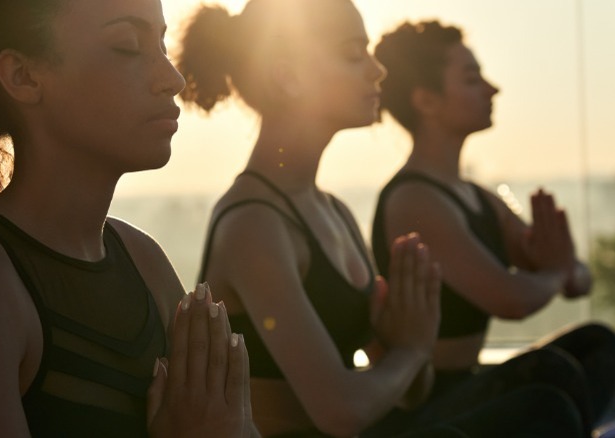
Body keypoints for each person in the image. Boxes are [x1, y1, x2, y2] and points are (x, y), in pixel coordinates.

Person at [178, 2, 585, 437]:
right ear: (287, 76)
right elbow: (341, 412)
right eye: (354, 54)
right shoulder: (254, 225)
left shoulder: (333, 211)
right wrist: (409, 351)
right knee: (545, 409)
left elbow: (409, 392)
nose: (377, 72)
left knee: (566, 373)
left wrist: (404, 342)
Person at [0, 0, 255, 436]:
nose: (171, 78)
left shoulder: (144, 260)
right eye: (128, 46)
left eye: (161, 43)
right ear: (23, 76)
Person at [371, 20, 615, 435]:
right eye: (472, 80)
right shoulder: (415, 201)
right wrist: (558, 272)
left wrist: (560, 268)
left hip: (467, 386)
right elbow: (511, 298)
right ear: (426, 101)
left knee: (599, 343)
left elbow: (577, 278)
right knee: (549, 382)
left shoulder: (477, 196)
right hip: (420, 406)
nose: (492, 90)